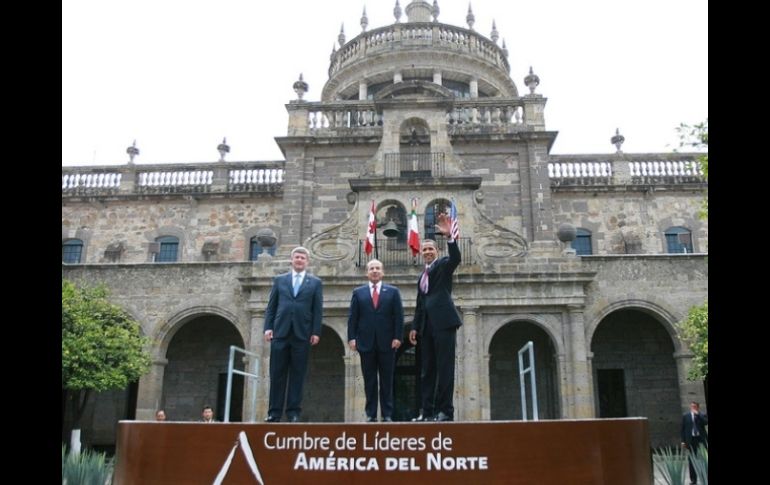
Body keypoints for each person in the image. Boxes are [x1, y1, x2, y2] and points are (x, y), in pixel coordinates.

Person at [409, 212, 462, 422]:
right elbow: (420, 304)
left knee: (445, 368)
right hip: (426, 327)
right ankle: (427, 412)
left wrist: (450, 237)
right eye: (425, 250)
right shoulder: (422, 276)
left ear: (437, 252)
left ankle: (445, 412)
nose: (428, 252)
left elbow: (456, 258)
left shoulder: (443, 266)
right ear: (421, 253)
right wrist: (414, 326)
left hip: (444, 323)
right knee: (426, 369)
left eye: (431, 249)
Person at [264, 246, 323, 423]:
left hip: (302, 334)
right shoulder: (280, 280)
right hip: (280, 333)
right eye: (297, 257)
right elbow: (272, 306)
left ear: (307, 261)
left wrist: (315, 331)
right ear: (292, 260)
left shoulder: (315, 283)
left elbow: (317, 309)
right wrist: (268, 327)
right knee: (276, 374)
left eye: (302, 258)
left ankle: (293, 413)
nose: (299, 260)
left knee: (298, 374)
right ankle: (274, 413)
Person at [347, 259, 404, 422]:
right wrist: (352, 337)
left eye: (378, 268)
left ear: (383, 272)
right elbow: (353, 318)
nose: (375, 271)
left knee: (387, 380)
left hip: (388, 342)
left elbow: (398, 316)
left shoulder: (393, 292)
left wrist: (398, 337)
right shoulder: (358, 292)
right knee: (369, 381)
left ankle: (387, 414)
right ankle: (371, 414)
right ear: (367, 273)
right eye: (371, 268)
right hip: (365, 343)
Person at [680, 401, 708, 484]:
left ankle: (705, 478)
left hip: (701, 440)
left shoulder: (702, 415)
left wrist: (698, 414)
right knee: (691, 460)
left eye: (695, 407)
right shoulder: (686, 416)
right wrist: (683, 441)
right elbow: (683, 429)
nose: (693, 408)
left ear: (698, 407)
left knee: (703, 458)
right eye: (692, 406)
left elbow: (705, 422)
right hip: (691, 440)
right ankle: (693, 480)